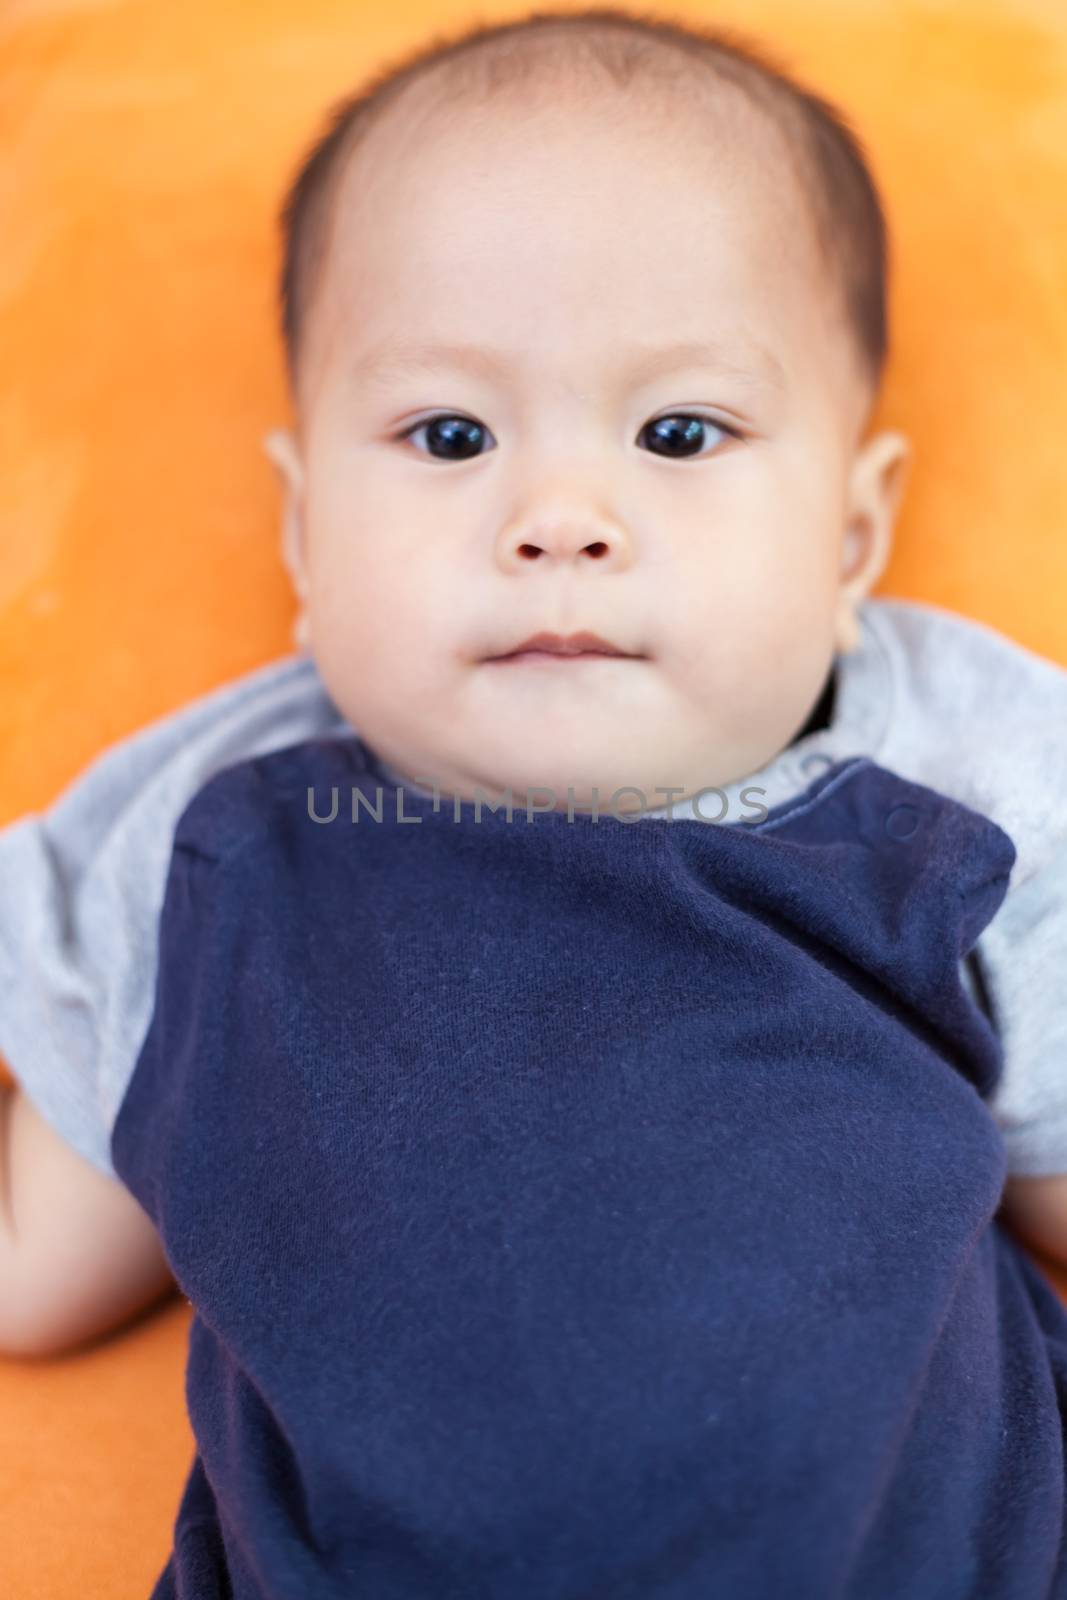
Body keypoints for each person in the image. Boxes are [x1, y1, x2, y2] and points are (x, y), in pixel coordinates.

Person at [3, 8, 1067, 1596]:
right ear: (304, 537)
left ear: (852, 536)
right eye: (450, 434)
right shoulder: (211, 836)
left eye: (678, 432)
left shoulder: (954, 781)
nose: (560, 518)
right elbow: (36, 1273)